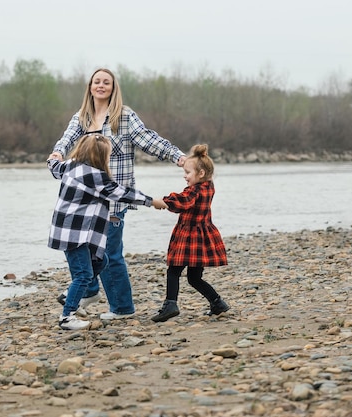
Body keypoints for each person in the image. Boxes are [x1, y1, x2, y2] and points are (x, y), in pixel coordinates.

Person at [50, 68, 187, 320]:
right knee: (85, 250)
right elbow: (66, 140)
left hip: (114, 198)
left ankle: (122, 308)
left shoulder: (123, 116)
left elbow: (149, 140)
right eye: (97, 81)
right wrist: (58, 153)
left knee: (110, 253)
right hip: (83, 202)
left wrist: (178, 157)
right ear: (90, 86)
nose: (101, 85)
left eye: (106, 82)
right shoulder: (81, 117)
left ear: (113, 88)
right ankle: (90, 290)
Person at [47, 133, 167, 330]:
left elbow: (54, 167)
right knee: (84, 274)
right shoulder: (96, 176)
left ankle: (76, 293)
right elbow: (123, 194)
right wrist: (152, 201)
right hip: (73, 234)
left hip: (68, 229)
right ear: (100, 157)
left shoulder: (70, 166)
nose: (109, 159)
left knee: (102, 261)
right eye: (108, 155)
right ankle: (67, 317)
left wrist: (53, 157)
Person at [150, 144, 230, 323]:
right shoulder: (209, 186)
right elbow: (186, 200)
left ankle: (170, 304)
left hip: (189, 237)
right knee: (194, 277)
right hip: (203, 236)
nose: (185, 176)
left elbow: (182, 201)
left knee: (173, 271)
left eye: (188, 173)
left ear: (200, 174)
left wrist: (162, 202)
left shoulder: (194, 190)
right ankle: (218, 303)